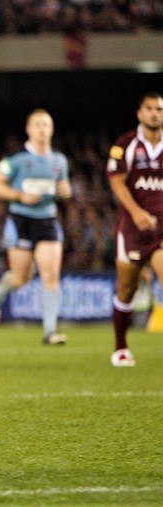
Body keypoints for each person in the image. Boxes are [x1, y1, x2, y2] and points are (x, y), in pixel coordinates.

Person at [0, 108, 72, 345]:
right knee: (22, 278)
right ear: (29, 129)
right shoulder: (16, 159)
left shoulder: (59, 161)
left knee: (50, 275)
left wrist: (66, 191)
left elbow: (64, 188)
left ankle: (50, 331)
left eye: (46, 125)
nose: (43, 129)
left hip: (47, 221)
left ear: (52, 130)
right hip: (21, 221)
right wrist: (19, 196)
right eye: (38, 125)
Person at [106, 91, 163, 367]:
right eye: (150, 109)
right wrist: (138, 213)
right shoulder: (126, 145)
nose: (155, 113)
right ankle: (120, 347)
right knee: (126, 288)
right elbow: (117, 182)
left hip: (161, 227)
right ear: (140, 113)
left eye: (159, 109)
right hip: (133, 228)